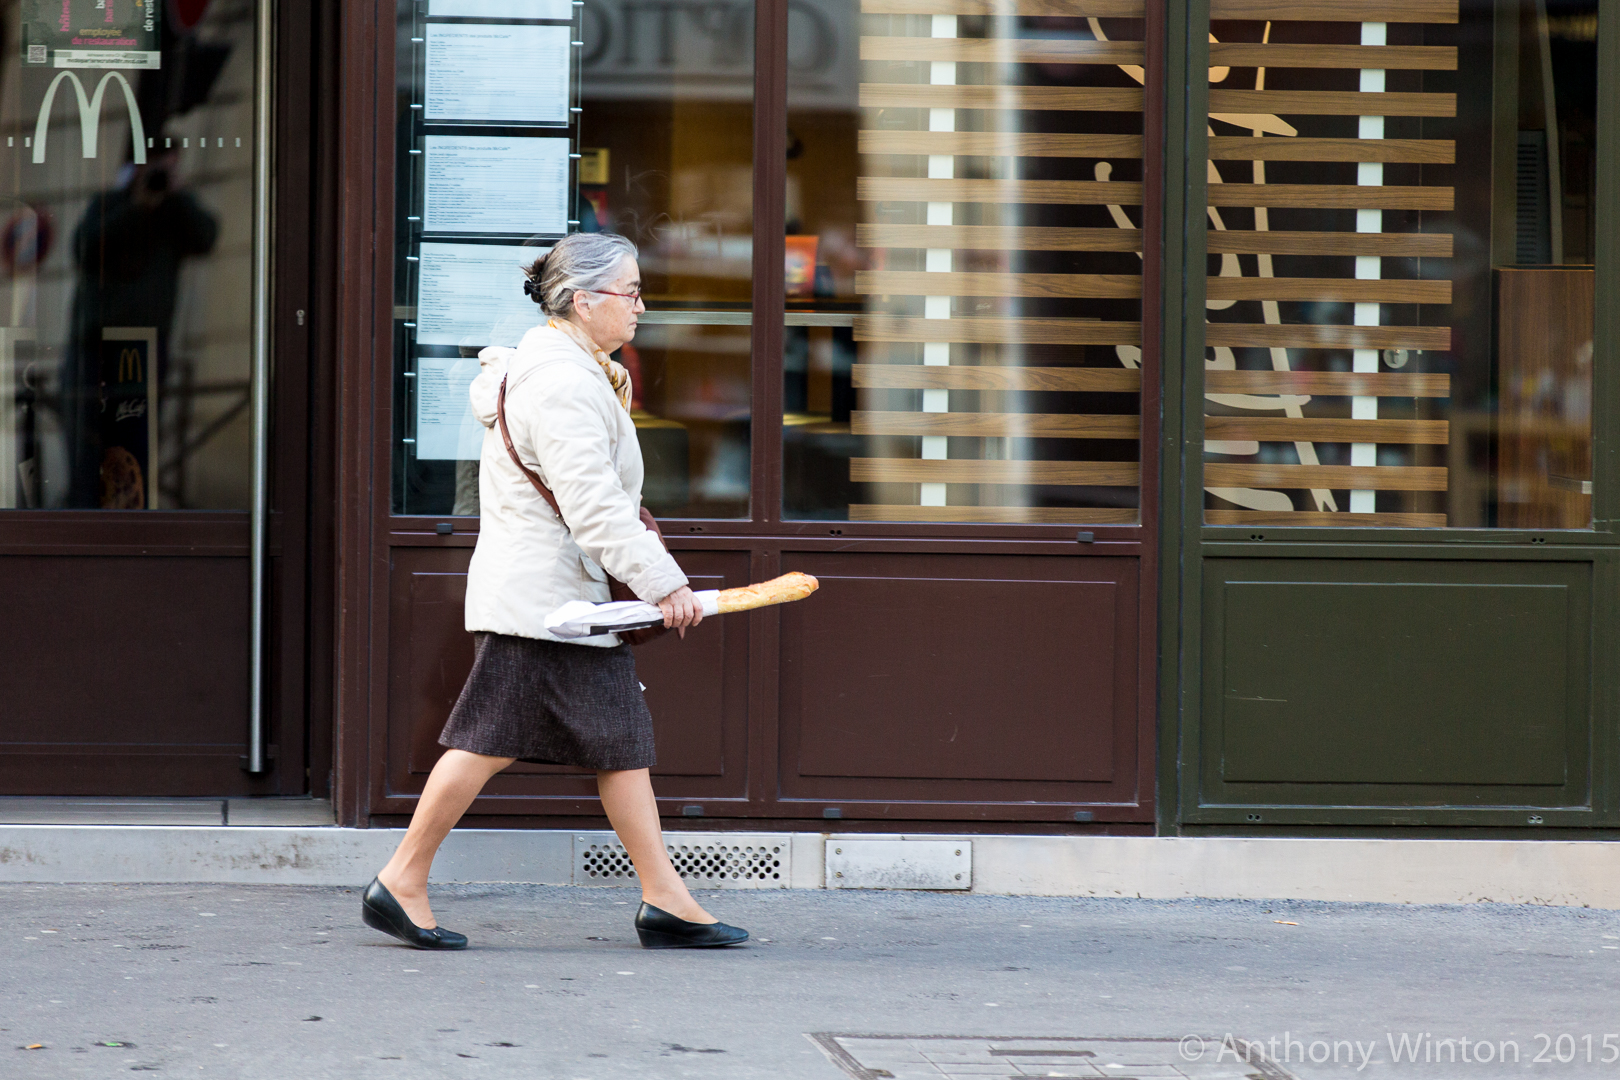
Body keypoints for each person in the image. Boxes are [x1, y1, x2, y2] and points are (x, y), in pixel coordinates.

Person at [360, 232, 747, 951]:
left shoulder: (573, 372)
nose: (641, 306)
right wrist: (666, 583)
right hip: (547, 607)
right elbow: (595, 506)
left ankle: (665, 896)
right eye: (630, 293)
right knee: (488, 742)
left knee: (618, 745)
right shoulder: (562, 385)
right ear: (582, 300)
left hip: (559, 600)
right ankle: (402, 879)